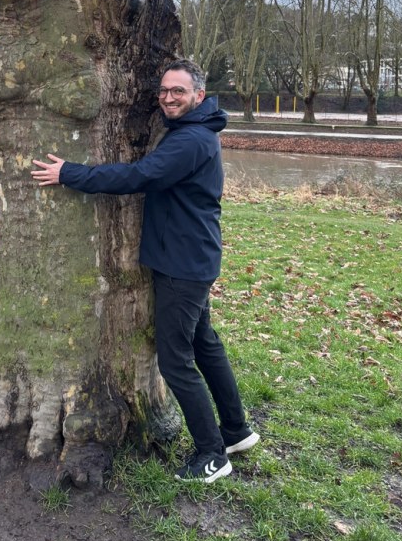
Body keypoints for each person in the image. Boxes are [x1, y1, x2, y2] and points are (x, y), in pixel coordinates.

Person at [31, 58, 259, 482]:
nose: (169, 97)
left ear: (199, 96)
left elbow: (138, 175)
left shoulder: (190, 141)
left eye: (179, 91)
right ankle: (235, 431)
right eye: (164, 91)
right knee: (205, 345)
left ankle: (213, 454)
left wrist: (70, 173)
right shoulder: (194, 133)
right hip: (193, 258)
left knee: (175, 362)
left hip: (181, 265)